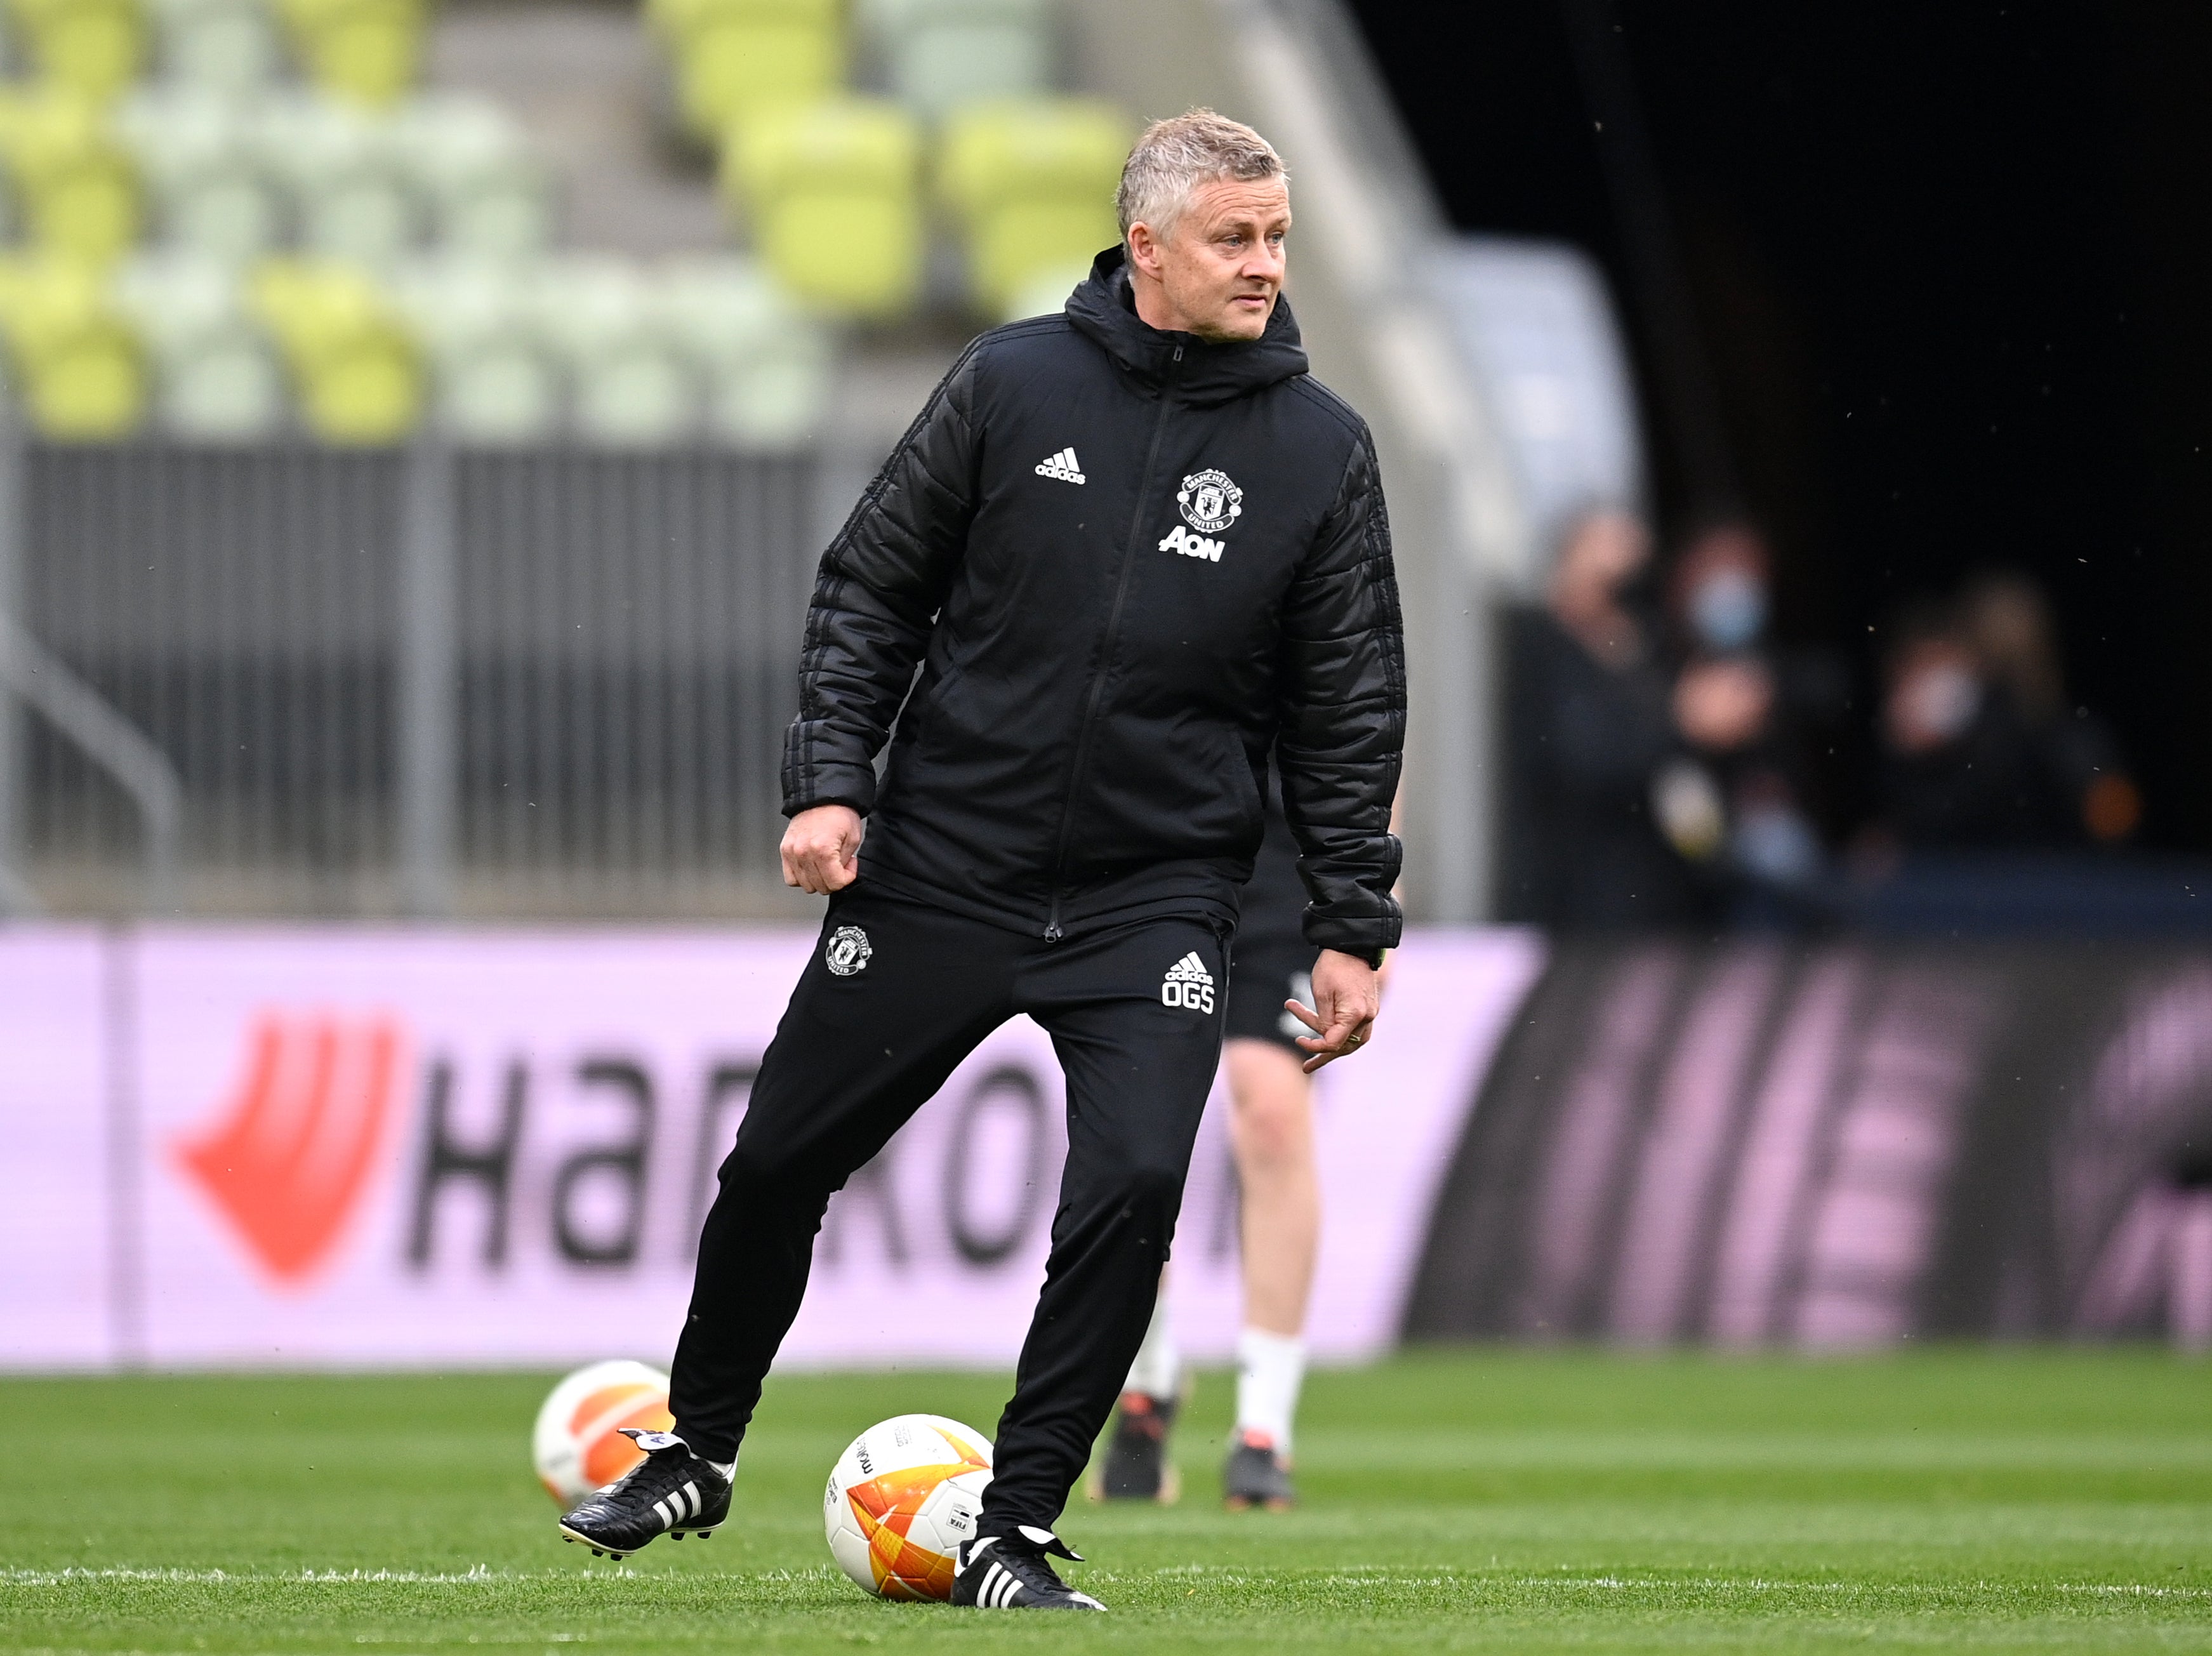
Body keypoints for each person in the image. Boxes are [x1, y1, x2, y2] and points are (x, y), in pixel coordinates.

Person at [556, 109, 1406, 1613]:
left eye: (1276, 236)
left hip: (1153, 899)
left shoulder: (1319, 451)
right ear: (1146, 245)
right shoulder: (1011, 383)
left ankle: (1011, 1523)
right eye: (1232, 236)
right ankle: (697, 1445)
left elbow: (1348, 705)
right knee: (776, 1160)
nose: (1264, 264)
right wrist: (831, 782)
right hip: (942, 863)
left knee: (1132, 1184)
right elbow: (868, 588)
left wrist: (1350, 921)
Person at [1096, 780, 1333, 1513]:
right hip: (1144, 841)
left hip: (1286, 862)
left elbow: (1364, 734)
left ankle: (1263, 1427)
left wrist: (1371, 892)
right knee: (1135, 1118)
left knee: (1271, 1111)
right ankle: (1147, 1376)